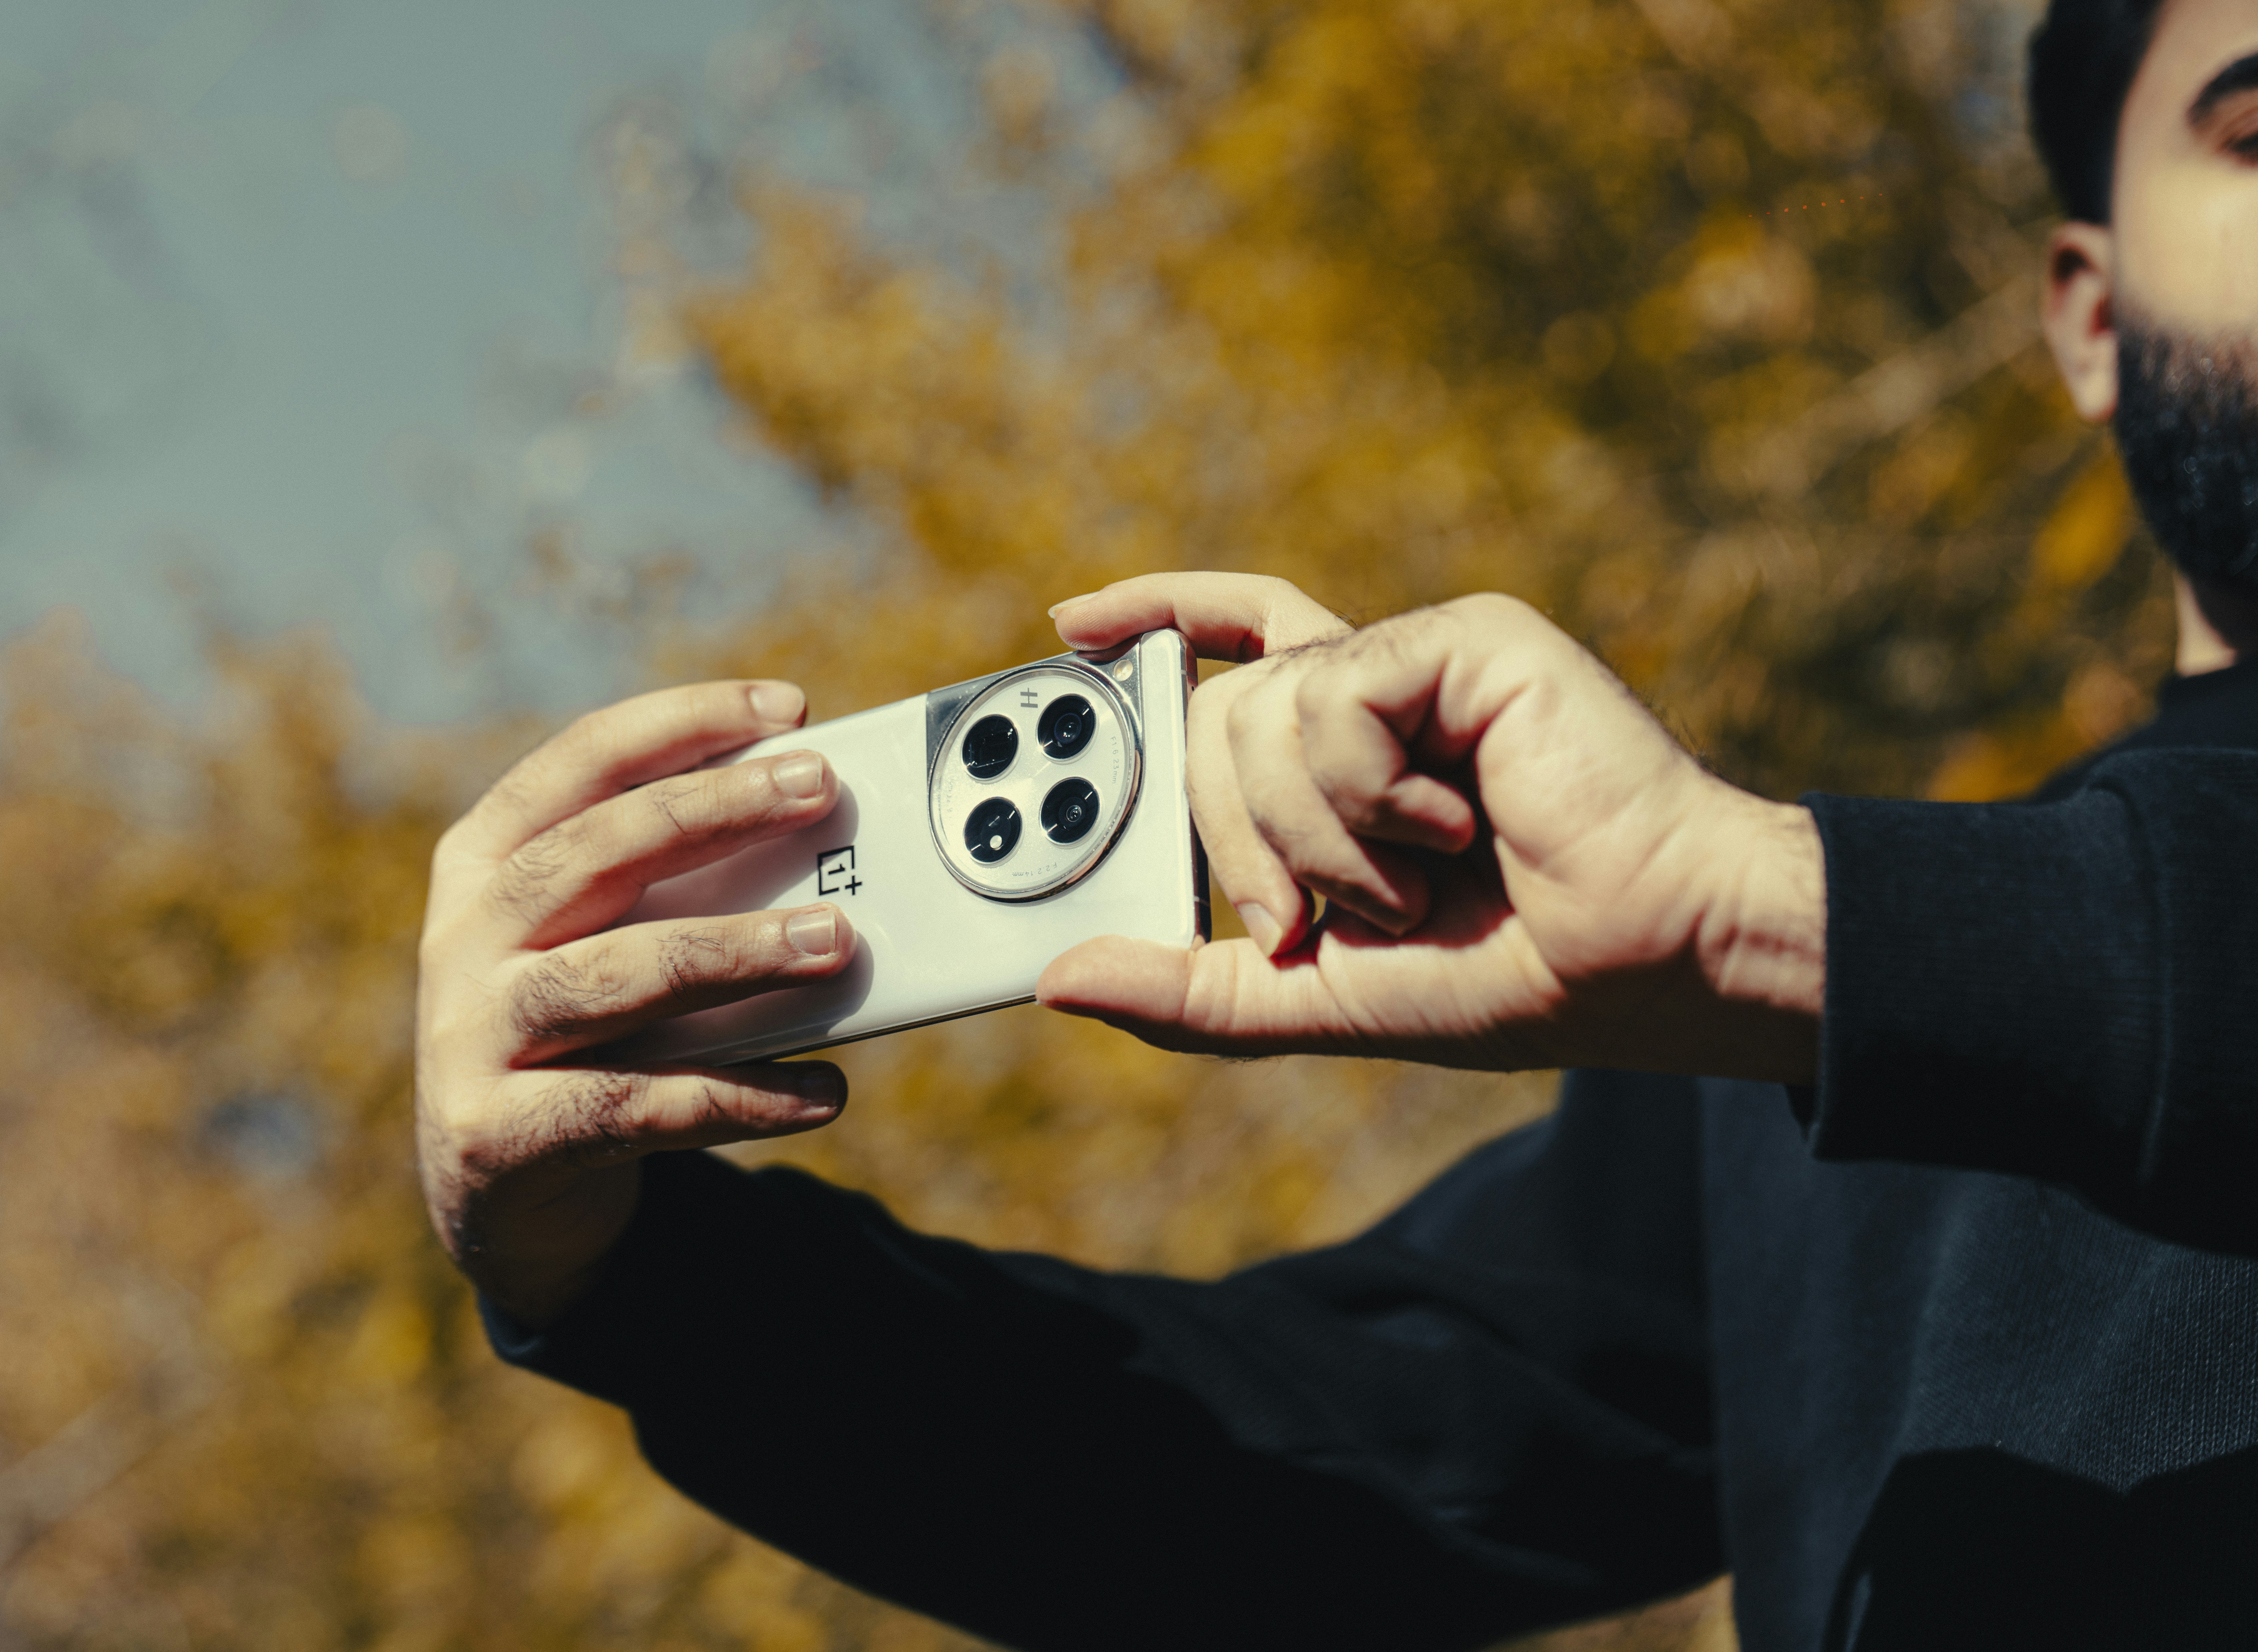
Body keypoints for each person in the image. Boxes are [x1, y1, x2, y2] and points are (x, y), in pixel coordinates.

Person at [411, 0, 2258, 1644]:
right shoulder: (1790, 1064)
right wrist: (642, 1271)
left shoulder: (1803, 945)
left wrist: (1786, 922)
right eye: (2257, 131)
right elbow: (1303, 1472)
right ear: (2089, 316)